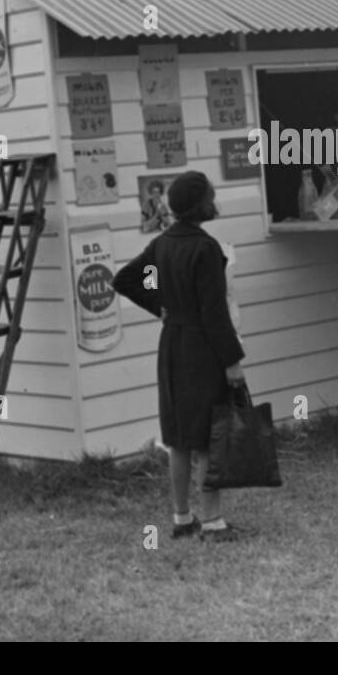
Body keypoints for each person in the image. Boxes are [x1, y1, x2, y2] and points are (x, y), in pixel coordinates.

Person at [113, 171, 248, 541]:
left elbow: (129, 279)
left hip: (172, 344)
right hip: (202, 349)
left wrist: (160, 306)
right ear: (199, 204)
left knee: (178, 438)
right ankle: (213, 522)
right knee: (207, 438)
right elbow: (214, 314)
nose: (215, 201)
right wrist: (232, 361)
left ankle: (182, 517)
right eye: (211, 195)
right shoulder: (205, 250)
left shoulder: (162, 245)